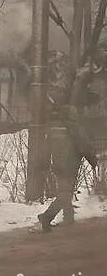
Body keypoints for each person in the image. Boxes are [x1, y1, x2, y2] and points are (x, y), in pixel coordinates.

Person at [38, 66, 98, 232]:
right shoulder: (70, 117)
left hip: (58, 160)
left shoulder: (56, 120)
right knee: (65, 193)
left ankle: (69, 217)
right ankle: (47, 216)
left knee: (66, 189)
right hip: (68, 160)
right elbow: (81, 139)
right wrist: (91, 157)